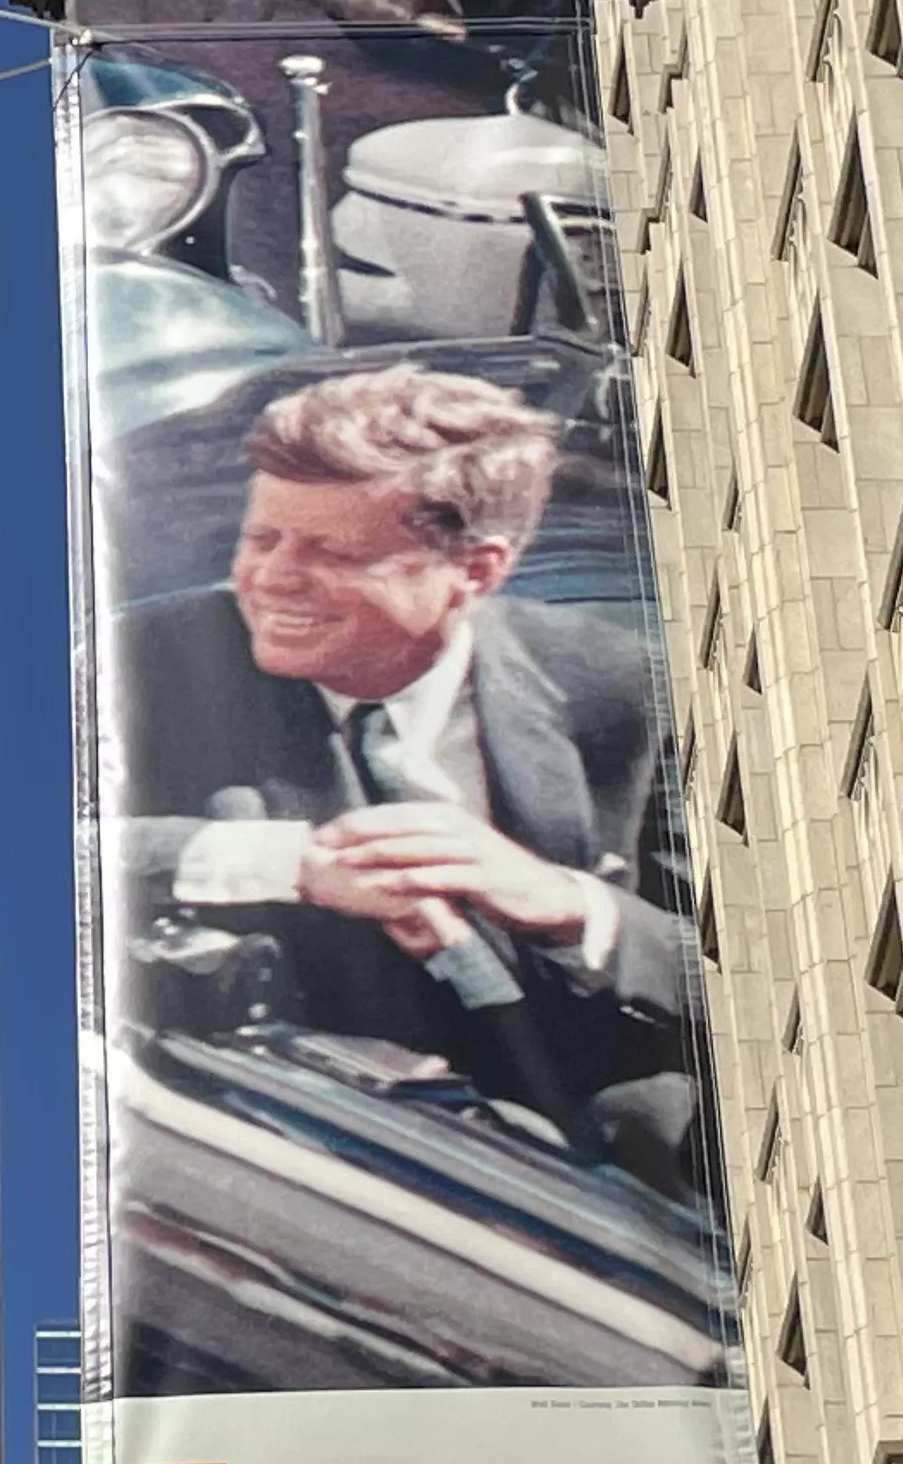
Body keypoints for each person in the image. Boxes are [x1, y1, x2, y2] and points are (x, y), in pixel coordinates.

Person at [108, 361, 705, 1196]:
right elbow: (8, 858)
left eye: (334, 553)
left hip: (629, 1194)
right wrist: (290, 864)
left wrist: (571, 906)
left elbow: (753, 974)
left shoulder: (624, 689)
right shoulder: (143, 665)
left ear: (477, 570)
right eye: (262, 538)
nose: (272, 578)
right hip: (329, 1181)